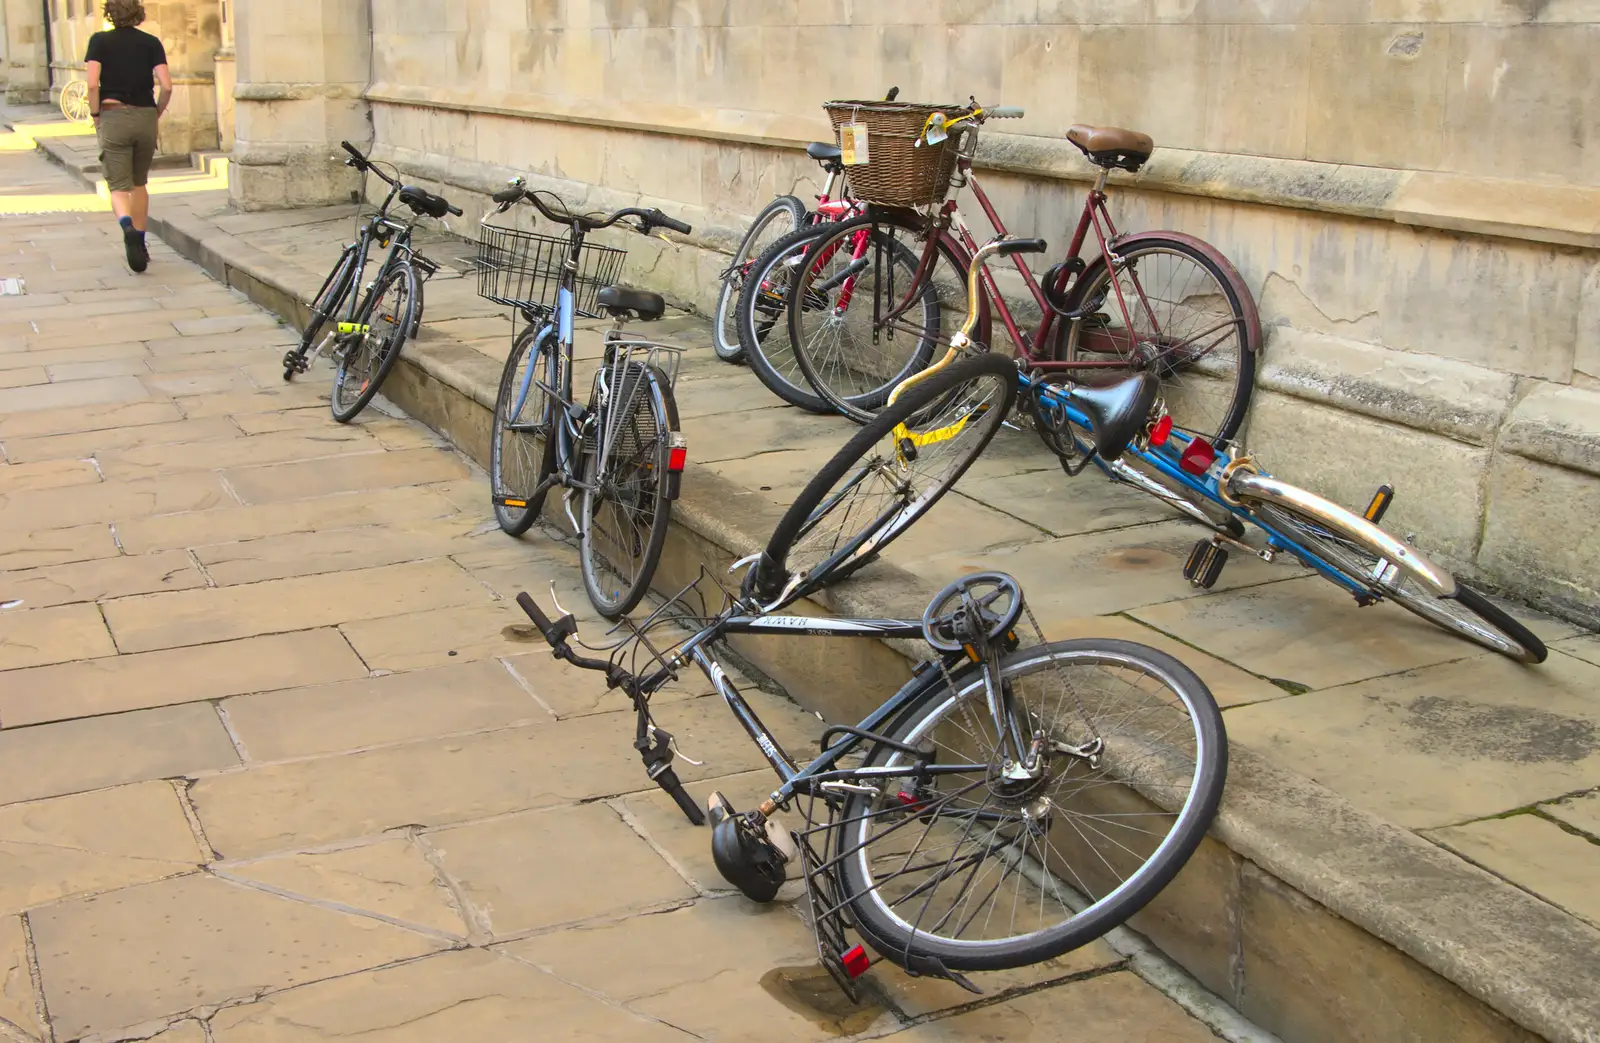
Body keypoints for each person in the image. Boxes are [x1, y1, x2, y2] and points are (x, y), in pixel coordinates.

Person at [84, 0, 171, 273]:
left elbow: (91, 83)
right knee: (139, 182)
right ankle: (142, 243)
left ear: (109, 14)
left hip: (113, 115)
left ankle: (127, 226)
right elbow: (167, 85)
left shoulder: (99, 41)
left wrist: (96, 114)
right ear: (138, 13)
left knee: (119, 187)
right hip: (145, 115)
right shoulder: (151, 42)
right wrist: (155, 112)